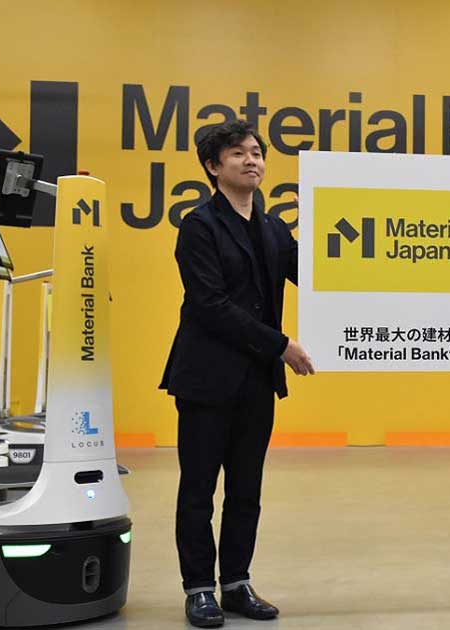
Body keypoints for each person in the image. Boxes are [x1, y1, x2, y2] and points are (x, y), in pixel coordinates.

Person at [160, 119, 315, 627]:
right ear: (213, 166)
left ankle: (236, 584)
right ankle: (198, 589)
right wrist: (281, 345)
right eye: (239, 154)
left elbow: (317, 275)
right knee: (198, 490)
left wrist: (330, 228)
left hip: (255, 379)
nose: (252, 161)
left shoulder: (273, 228)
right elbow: (211, 305)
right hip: (206, 378)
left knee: (246, 490)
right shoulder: (199, 226)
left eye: (257, 152)